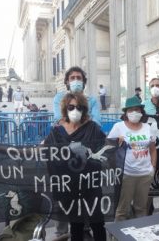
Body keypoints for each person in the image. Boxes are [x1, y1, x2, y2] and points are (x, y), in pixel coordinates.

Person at [44, 92, 106, 241]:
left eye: (79, 107)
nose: (75, 110)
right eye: (71, 107)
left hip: (90, 184)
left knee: (97, 222)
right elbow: (48, 153)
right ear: (66, 108)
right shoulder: (56, 131)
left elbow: (104, 147)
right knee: (76, 224)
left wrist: (119, 141)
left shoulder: (93, 128)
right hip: (69, 186)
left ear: (84, 109)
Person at [108, 96, 157, 221]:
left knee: (141, 209)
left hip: (145, 174)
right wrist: (116, 143)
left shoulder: (147, 127)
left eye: (137, 110)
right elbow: (108, 149)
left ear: (141, 112)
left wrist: (153, 167)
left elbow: (153, 149)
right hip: (126, 175)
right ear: (126, 113)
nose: (134, 113)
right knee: (121, 210)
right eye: (130, 110)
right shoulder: (118, 127)